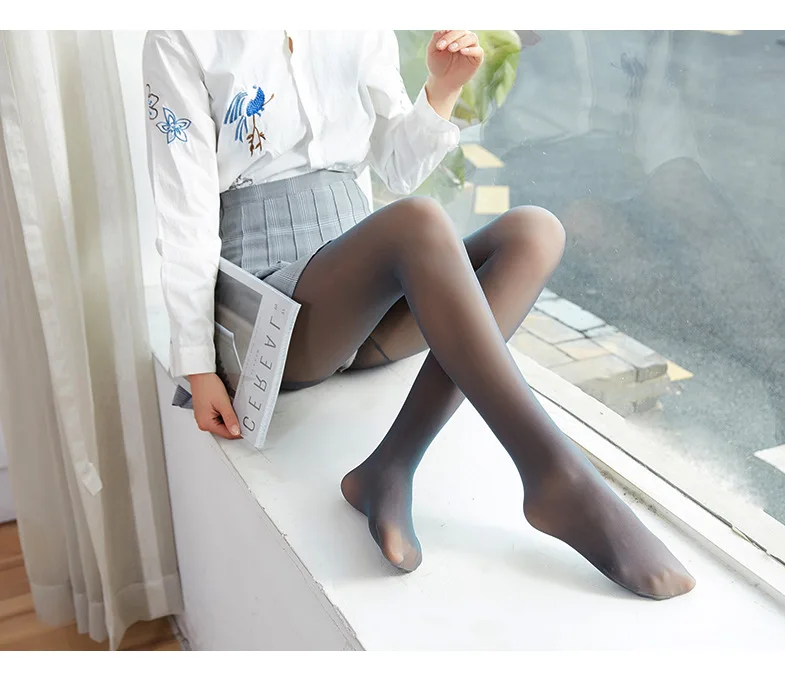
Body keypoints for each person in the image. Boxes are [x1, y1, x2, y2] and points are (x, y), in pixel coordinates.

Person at [143, 30, 695, 599]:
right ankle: (556, 476)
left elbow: (398, 169)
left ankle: (391, 466)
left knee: (534, 233)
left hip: (361, 293)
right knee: (419, 221)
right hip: (270, 307)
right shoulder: (183, 34)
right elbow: (183, 213)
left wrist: (442, 88)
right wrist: (197, 363)